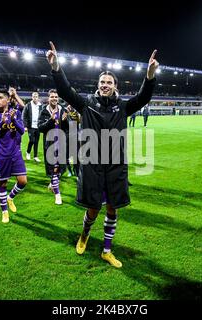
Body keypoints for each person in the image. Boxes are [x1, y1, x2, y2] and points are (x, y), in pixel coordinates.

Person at [46, 42, 158, 268]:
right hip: (92, 165)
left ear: (116, 86)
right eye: (102, 82)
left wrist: (149, 75)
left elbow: (143, 97)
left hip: (115, 166)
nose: (105, 85)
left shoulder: (124, 106)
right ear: (97, 85)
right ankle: (85, 234)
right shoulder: (86, 104)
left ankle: (107, 250)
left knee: (112, 208)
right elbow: (66, 91)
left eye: (109, 82)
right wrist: (57, 67)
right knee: (93, 208)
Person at [0, 89, 27, 223]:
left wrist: (13, 120)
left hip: (15, 153)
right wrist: (1, 123)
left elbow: (21, 131)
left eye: (0, 97)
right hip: (0, 154)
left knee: (22, 181)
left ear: (8, 100)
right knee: (2, 184)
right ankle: (4, 212)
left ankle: (10, 198)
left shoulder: (16, 112)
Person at [38, 89, 69, 205]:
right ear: (48, 98)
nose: (54, 98)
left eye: (56, 96)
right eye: (52, 97)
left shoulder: (63, 110)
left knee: (60, 169)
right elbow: (40, 128)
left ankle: (53, 184)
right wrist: (50, 120)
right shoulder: (44, 111)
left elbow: (69, 128)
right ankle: (57, 195)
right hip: (50, 144)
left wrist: (65, 121)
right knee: (53, 169)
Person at [23, 92, 42, 162]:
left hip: (38, 126)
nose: (35, 98)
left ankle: (35, 156)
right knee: (32, 140)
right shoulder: (28, 105)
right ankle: (28, 152)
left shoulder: (41, 106)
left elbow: (42, 116)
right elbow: (24, 116)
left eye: (36, 96)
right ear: (32, 97)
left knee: (36, 142)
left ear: (38, 97)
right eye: (34, 96)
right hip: (30, 126)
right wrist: (25, 126)